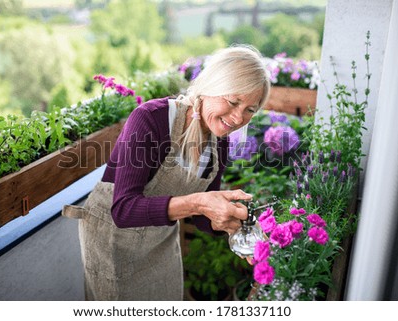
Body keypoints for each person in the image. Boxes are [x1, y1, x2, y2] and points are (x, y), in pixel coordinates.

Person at [63, 45, 271, 301]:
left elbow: (202, 220)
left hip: (159, 240)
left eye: (250, 109)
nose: (239, 117)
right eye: (233, 101)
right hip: (112, 242)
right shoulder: (152, 119)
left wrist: (230, 225)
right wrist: (198, 203)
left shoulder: (221, 140)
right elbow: (123, 210)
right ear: (210, 87)